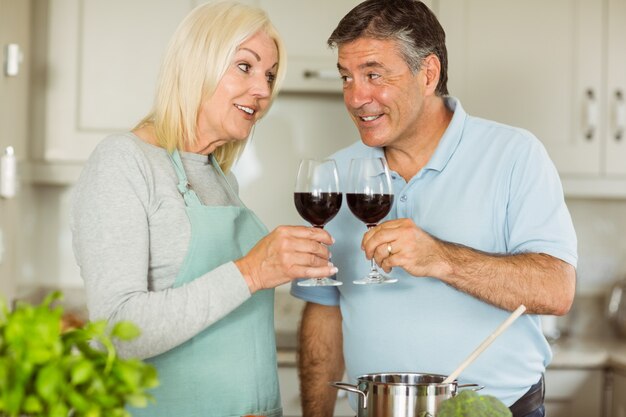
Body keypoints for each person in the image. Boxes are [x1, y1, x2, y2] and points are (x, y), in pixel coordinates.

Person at [290, 1, 577, 417]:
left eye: (373, 74)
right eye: (346, 78)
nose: (355, 97)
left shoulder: (515, 155)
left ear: (428, 73)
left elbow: (556, 289)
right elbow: (323, 313)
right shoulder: (337, 173)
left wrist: (440, 258)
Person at [70, 2, 338, 416]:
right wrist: (252, 271)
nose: (263, 90)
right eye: (245, 67)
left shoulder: (220, 176)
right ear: (197, 63)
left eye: (268, 76)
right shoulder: (124, 161)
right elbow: (115, 331)